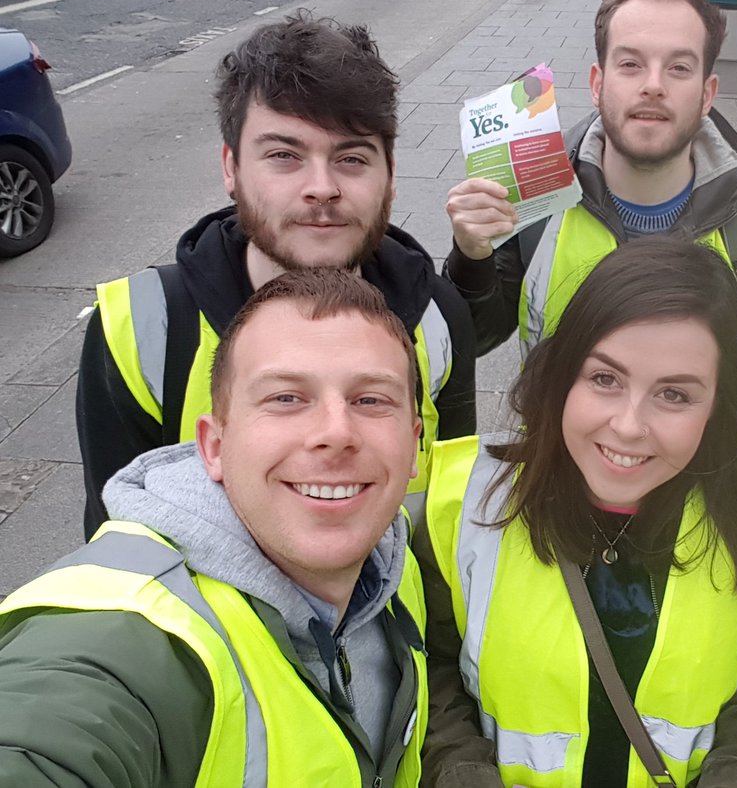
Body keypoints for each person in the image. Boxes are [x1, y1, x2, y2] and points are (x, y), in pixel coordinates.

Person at [0, 269, 429, 786]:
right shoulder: (124, 641)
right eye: (286, 398)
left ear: (413, 444)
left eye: (370, 400)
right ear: (214, 447)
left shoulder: (392, 555)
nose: (336, 433)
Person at [417, 237, 737, 787]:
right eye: (605, 379)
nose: (628, 424)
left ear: (718, 407)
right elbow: (430, 666)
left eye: (674, 395)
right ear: (563, 375)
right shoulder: (462, 504)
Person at [77, 12, 476, 539]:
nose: (322, 187)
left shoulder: (439, 316)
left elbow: (444, 524)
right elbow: (116, 547)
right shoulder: (139, 330)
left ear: (391, 176)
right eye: (285, 155)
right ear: (231, 167)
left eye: (351, 158)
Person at [444, 0, 737, 358]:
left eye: (679, 68)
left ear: (707, 94)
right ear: (597, 84)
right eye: (631, 64)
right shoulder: (537, 210)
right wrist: (471, 258)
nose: (653, 86)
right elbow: (473, 339)